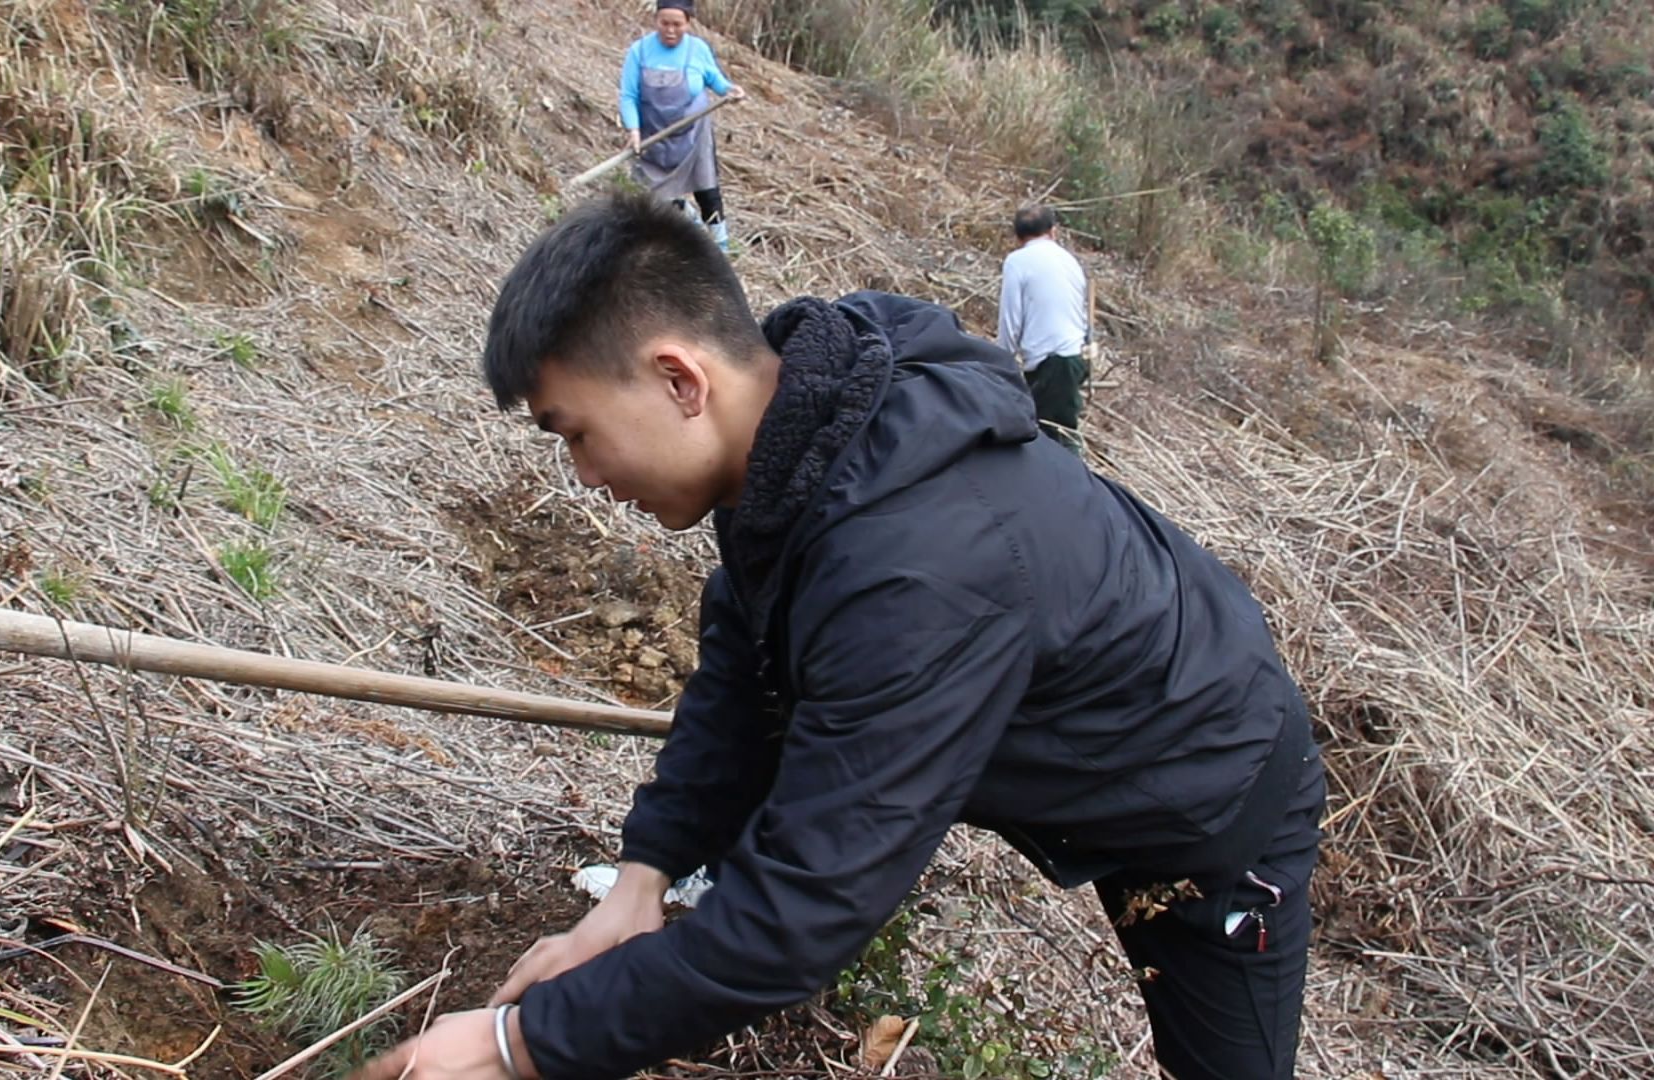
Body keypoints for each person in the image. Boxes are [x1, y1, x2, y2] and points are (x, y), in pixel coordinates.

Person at [352, 193, 1326, 1080]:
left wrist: (515, 1045)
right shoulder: (801, 426)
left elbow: (796, 922)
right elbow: (742, 664)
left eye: (575, 433)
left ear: (681, 381)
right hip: (1101, 741)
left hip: (1212, 793)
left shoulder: (916, 569)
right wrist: (642, 879)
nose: (584, 474)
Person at [620, 0, 745, 251]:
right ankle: (693, 226)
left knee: (707, 190)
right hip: (654, 138)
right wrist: (633, 129)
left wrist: (730, 90)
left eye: (677, 24)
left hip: (693, 135)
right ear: (656, 20)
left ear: (688, 22)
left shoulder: (698, 50)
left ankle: (722, 248)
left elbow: (716, 81)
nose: (670, 30)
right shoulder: (640, 51)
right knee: (655, 201)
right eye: (664, 23)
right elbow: (628, 95)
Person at [997, 203, 1091, 452]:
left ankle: (1075, 488)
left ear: (1018, 236)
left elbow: (1010, 318)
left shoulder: (1017, 262)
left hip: (1051, 361)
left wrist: (1000, 361)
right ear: (1053, 231)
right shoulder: (1069, 261)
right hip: (1074, 355)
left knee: (1055, 441)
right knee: (1060, 431)